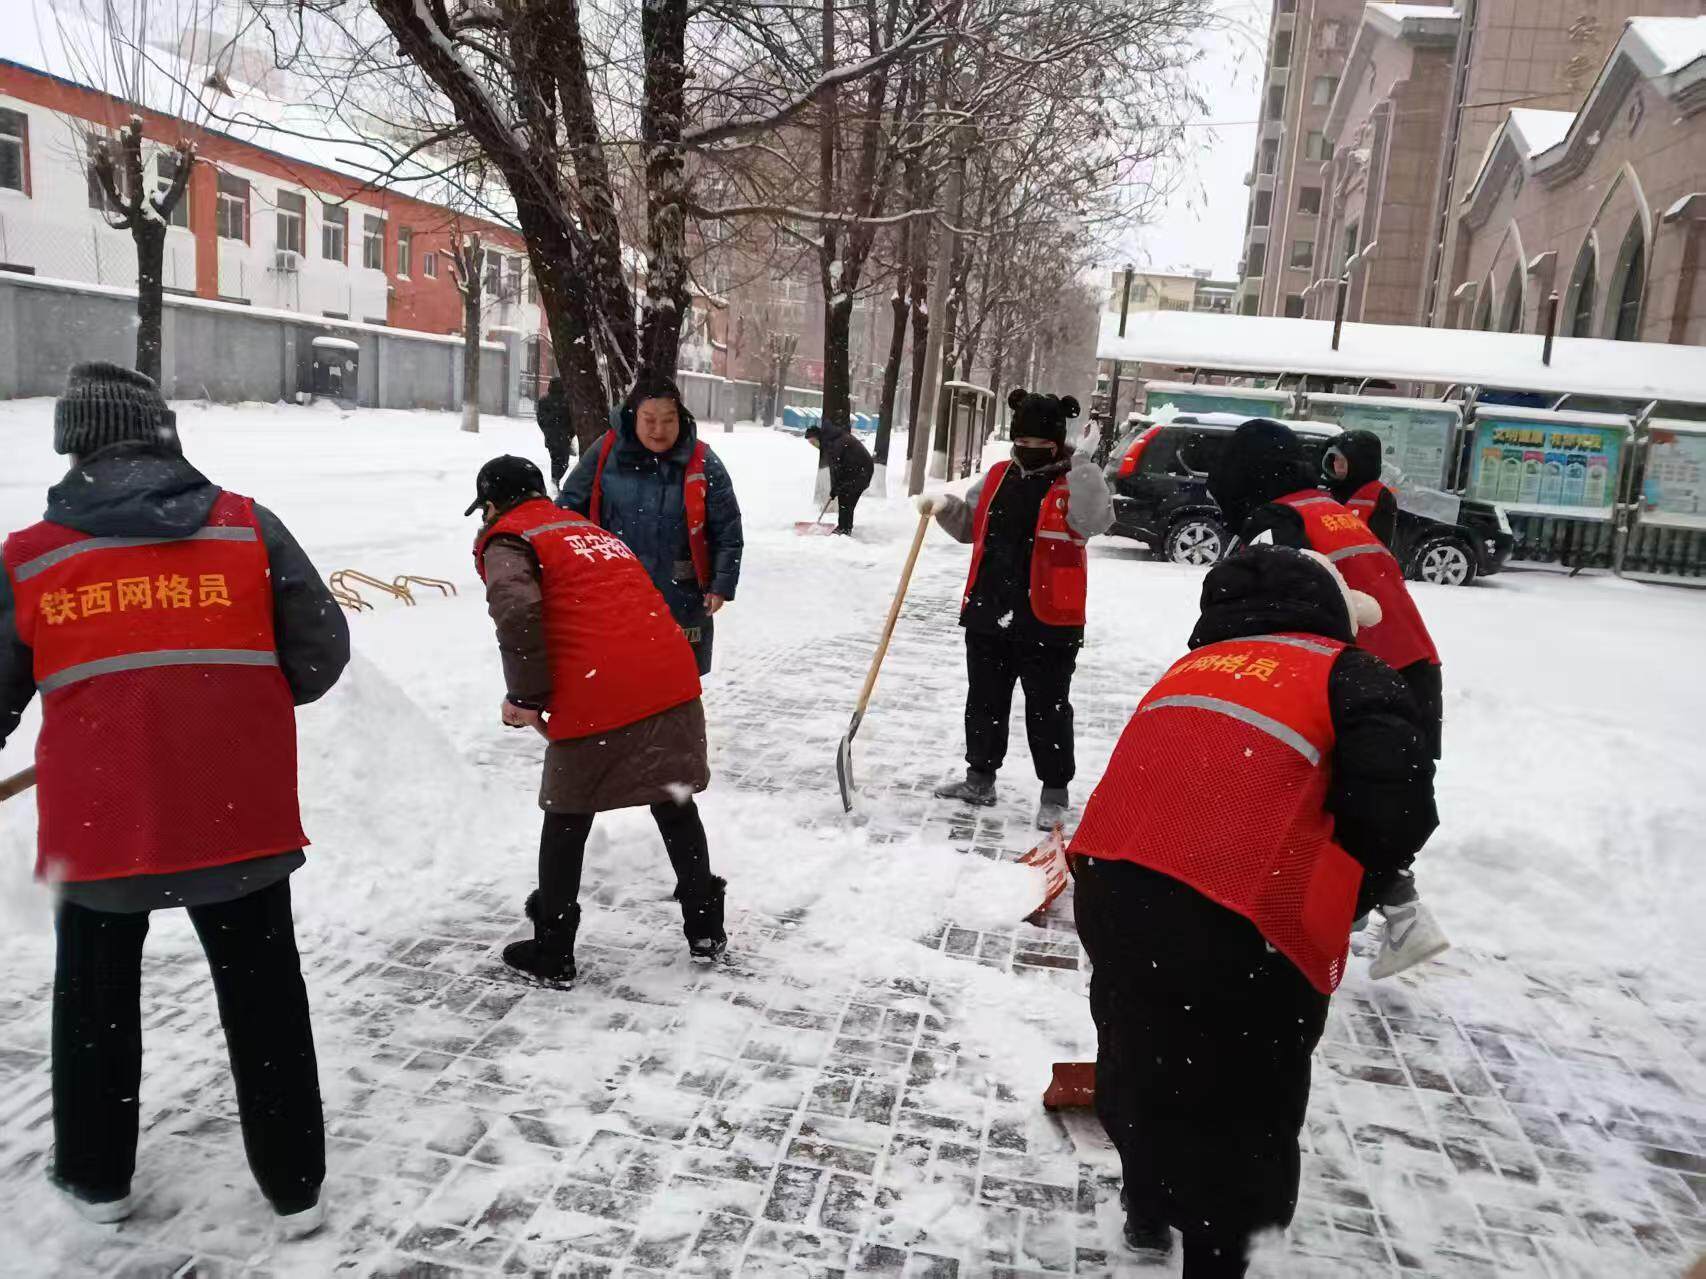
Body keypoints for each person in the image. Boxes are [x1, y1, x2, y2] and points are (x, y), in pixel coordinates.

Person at [0, 363, 349, 1235]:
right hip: (239, 811)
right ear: (164, 435)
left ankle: (96, 1176)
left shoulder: (32, 557)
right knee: (265, 994)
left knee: (95, 1001)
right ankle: (295, 1188)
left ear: (73, 444)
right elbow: (322, 649)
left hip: (100, 820)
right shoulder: (246, 529)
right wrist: (233, 706)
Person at [1068, 545, 1438, 1276]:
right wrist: (1339, 889)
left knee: (1140, 1049)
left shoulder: (1191, 668)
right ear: (1332, 613)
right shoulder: (1350, 672)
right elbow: (1396, 809)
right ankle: (1216, 1252)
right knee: (1245, 1098)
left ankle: (1145, 1205)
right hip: (1239, 914)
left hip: (1114, 884)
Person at [470, 455, 727, 985]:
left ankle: (553, 949)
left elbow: (518, 612)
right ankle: (705, 928)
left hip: (601, 686)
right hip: (668, 674)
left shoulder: (510, 539)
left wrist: (525, 694)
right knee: (674, 798)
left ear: (493, 506)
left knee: (567, 815)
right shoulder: (585, 530)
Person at [1208, 418, 1449, 976]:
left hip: (1356, 680)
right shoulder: (1325, 508)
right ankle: (1373, 910)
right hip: (1409, 673)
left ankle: (1330, 922)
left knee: (1308, 795)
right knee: (1361, 805)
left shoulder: (1279, 521)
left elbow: (1259, 613)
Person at [916, 389, 1113, 830]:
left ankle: (1055, 792)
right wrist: (944, 507)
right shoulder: (998, 476)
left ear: (1057, 443)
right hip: (989, 608)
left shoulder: (1073, 481)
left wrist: (1084, 468)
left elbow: (1095, 522)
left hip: (1051, 616)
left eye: (1041, 445)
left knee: (1048, 707)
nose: (1030, 452)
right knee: (984, 700)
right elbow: (970, 526)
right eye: (1022, 442)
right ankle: (979, 779)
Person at [560, 372, 742, 676]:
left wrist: (720, 585)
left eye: (669, 419)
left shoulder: (702, 461)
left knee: (676, 679)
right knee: (618, 674)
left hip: (680, 594)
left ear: (681, 418)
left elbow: (727, 530)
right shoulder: (606, 452)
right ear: (633, 416)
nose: (659, 430)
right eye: (650, 419)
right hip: (614, 592)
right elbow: (567, 511)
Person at [1323, 429, 1397, 547]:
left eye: (1343, 459)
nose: (1337, 464)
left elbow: (1380, 545)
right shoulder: (1330, 490)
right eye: (1335, 459)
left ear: (1359, 462)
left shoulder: (1380, 496)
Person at [803, 419, 874, 534]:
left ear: (818, 437)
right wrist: (836, 488)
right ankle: (844, 527)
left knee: (846, 498)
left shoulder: (835, 444)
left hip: (860, 472)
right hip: (858, 470)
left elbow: (838, 469)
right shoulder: (832, 440)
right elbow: (839, 469)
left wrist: (835, 489)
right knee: (846, 498)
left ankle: (844, 529)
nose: (813, 445)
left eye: (813, 442)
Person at [534, 376, 574, 489]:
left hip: (551, 437)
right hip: (564, 436)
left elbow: (540, 420)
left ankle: (555, 480)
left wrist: (547, 431)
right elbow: (572, 420)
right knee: (563, 462)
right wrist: (570, 433)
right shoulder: (567, 401)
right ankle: (555, 480)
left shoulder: (543, 401)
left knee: (555, 459)